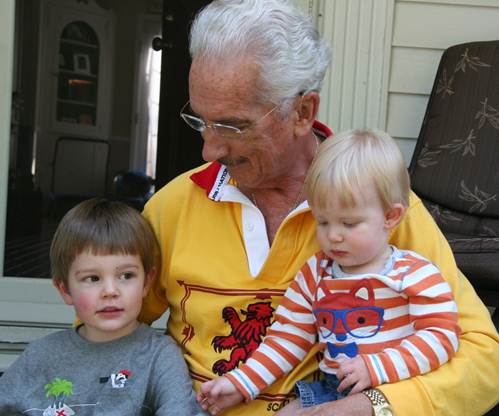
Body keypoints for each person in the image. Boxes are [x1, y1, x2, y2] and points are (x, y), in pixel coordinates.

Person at [138, 1, 499, 415]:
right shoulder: (172, 206)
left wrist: (371, 406)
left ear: (303, 111)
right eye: (201, 120)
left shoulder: (377, 209)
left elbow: (484, 357)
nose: (209, 148)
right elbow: (111, 328)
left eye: (233, 125)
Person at [197, 128, 462, 415]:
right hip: (330, 389)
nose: (333, 236)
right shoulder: (316, 273)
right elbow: (287, 337)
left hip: (393, 389)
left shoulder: (413, 273)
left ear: (390, 216)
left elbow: (442, 336)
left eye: (348, 224)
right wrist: (241, 383)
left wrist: (377, 367)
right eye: (322, 222)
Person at [0, 198, 205, 416]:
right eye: (93, 278)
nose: (110, 291)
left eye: (126, 276)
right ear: (65, 289)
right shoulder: (40, 356)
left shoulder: (159, 356)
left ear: (147, 282)